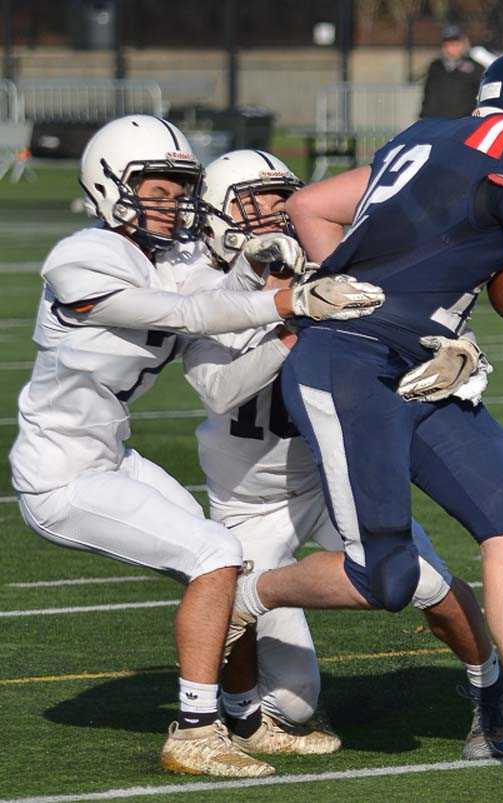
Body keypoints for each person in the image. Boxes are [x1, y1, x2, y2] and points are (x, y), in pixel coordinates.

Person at [228, 47, 503, 787]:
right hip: (352, 367)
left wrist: (384, 307)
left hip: (419, 362)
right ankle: (246, 595)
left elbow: (310, 204)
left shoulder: (427, 134)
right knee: (383, 578)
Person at [8, 115, 383, 779]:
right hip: (59, 472)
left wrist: (259, 258)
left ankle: (245, 718)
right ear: (106, 185)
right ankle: (194, 728)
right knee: (213, 554)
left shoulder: (169, 255)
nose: (172, 202)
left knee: (228, 559)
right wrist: (288, 297)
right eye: (154, 188)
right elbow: (188, 313)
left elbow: (212, 284)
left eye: (180, 189)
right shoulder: (81, 258)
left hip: (110, 454)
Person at [170, 148, 503, 761]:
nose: (276, 214)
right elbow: (215, 388)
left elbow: (408, 322)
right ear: (220, 216)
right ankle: (238, 714)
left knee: (429, 585)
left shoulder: (332, 266)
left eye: (284, 198)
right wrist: (298, 319)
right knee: (296, 705)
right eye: (257, 202)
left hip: (336, 472)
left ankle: (493, 695)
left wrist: (463, 352)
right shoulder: (202, 290)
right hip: (250, 501)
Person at [419, 23, 484, 120]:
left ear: (462, 44)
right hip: (437, 124)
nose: (450, 49)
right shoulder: (436, 67)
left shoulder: (474, 68)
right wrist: (423, 117)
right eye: (447, 45)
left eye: (454, 45)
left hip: (463, 124)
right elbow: (428, 96)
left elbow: (482, 96)